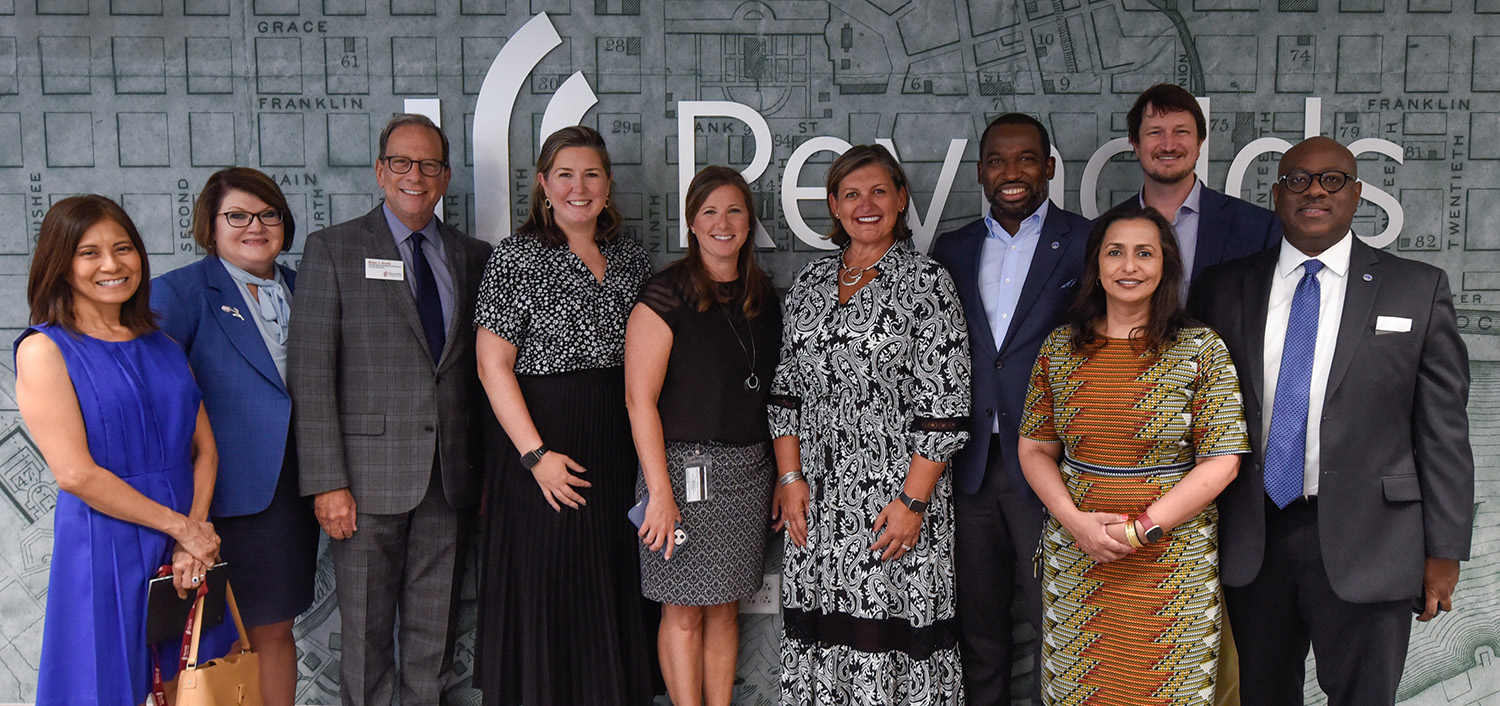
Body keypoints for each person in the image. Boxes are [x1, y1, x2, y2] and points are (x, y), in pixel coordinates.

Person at [1190, 137, 1474, 706]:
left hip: (1373, 540)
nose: (1314, 190)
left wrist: (1444, 552)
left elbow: (1443, 431)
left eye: (1332, 180)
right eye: (1297, 179)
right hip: (1254, 538)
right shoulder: (1223, 287)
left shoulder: (1416, 287)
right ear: (1276, 194)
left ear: (1357, 193)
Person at [288, 113, 492, 706]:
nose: (415, 175)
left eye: (429, 164)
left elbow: (478, 375)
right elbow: (311, 373)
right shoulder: (335, 249)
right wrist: (327, 483)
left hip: (448, 481)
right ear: (381, 171)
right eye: (402, 162)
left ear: (446, 177)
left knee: (435, 639)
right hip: (363, 486)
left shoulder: (473, 256)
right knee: (367, 640)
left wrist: (481, 474)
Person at [1017, 203, 1250, 704]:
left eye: (1144, 253)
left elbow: (1223, 461)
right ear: (1095, 267)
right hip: (1078, 553)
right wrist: (1076, 523)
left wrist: (1140, 528)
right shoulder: (1060, 347)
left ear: (1165, 266)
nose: (1129, 266)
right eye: (1115, 253)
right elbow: (1035, 447)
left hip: (1172, 558)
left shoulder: (1201, 348)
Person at [769, 144, 971, 705]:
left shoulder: (927, 283)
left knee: (893, 640)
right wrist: (790, 481)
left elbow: (945, 406)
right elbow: (785, 394)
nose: (866, 204)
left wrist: (913, 503)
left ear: (901, 199)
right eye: (851, 194)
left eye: (879, 191)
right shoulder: (810, 284)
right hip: (819, 499)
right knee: (824, 637)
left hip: (897, 498)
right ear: (833, 205)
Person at [473, 125, 655, 706]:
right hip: (544, 449)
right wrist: (536, 456)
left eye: (592, 174)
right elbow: (492, 367)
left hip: (618, 444)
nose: (580, 187)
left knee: (608, 583)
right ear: (544, 185)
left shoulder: (631, 258)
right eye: (566, 174)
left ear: (608, 185)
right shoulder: (516, 257)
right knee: (549, 592)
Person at [16, 195, 221, 706]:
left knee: (199, 689)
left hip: (184, 540)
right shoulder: (43, 350)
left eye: (123, 247)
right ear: (60, 265)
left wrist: (192, 538)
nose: (112, 264)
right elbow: (76, 475)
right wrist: (183, 529)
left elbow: (206, 451)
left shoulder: (166, 346)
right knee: (103, 686)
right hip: (103, 539)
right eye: (89, 252)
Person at [930, 113, 1090, 706]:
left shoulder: (1087, 240)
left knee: (1063, 622)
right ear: (980, 172)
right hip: (971, 467)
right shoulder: (954, 248)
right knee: (980, 627)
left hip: (1053, 466)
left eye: (1026, 159)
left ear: (1049, 167)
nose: (1012, 172)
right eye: (998, 160)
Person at [151, 167, 320, 706]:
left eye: (268, 214)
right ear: (211, 224)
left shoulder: (306, 286)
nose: (255, 226)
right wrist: (182, 516)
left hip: (287, 498)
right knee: (197, 640)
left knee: (275, 630)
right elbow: (152, 400)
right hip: (210, 502)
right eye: (238, 216)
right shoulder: (178, 293)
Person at [623, 165, 781, 706]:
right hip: (679, 475)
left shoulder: (763, 295)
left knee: (725, 609)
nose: (722, 222)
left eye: (734, 210)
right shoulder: (665, 293)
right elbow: (638, 400)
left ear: (749, 222)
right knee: (682, 611)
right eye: (709, 211)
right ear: (692, 222)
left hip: (747, 476)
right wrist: (659, 493)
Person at [1112, 83, 1279, 294]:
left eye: (1181, 132)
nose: (1169, 145)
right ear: (1135, 143)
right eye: (1155, 133)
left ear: (1200, 142)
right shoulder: (1102, 232)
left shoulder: (1258, 228)